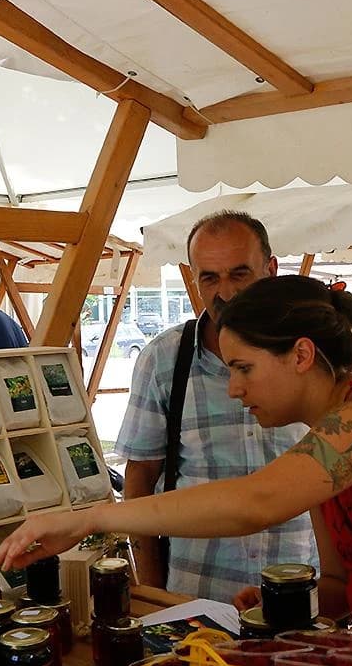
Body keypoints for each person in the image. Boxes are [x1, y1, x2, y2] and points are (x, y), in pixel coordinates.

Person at [0, 276, 352, 621]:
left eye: (243, 368)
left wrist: (90, 519)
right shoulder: (326, 439)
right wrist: (296, 606)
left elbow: (254, 503)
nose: (233, 388)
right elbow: (343, 585)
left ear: (301, 355)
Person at [116, 212, 318, 602]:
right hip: (198, 595)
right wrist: (155, 596)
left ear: (270, 270)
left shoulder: (309, 353)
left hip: (302, 590)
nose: (225, 292)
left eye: (239, 274)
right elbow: (140, 479)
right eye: (210, 277)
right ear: (194, 279)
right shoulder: (164, 358)